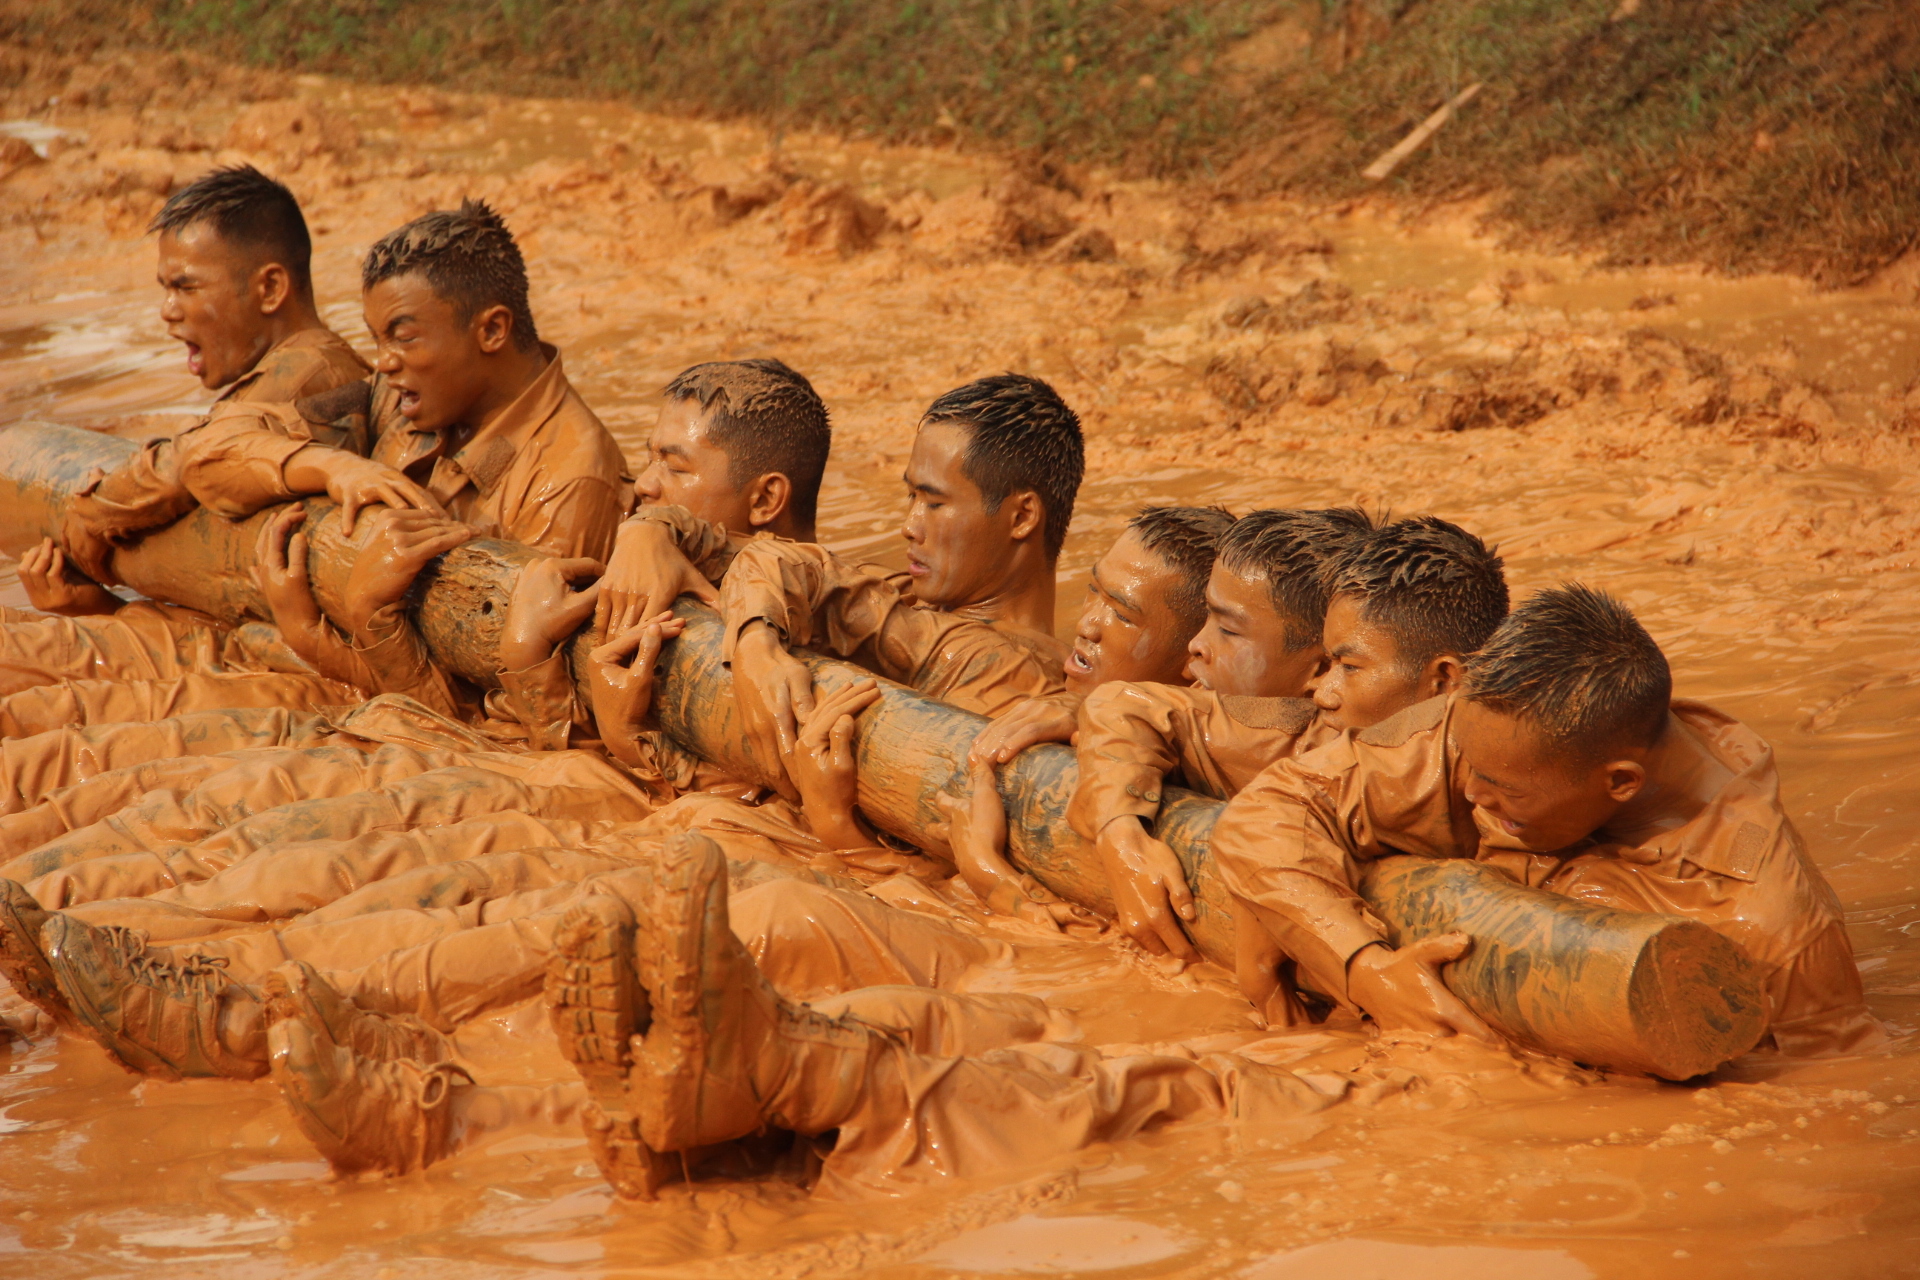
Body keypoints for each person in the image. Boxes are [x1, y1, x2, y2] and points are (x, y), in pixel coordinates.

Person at [1209, 584, 1880, 1052]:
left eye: (1500, 792)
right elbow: (1267, 813)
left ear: (1620, 783)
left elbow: (1813, 1105)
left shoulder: (1778, 929)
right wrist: (1361, 967)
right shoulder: (1500, 726)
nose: (1467, 793)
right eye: (1464, 761)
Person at [0, 166, 372, 705]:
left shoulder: (309, 377)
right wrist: (98, 605)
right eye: (165, 288)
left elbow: (180, 465)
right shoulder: (287, 373)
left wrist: (87, 525)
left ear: (269, 288)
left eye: (186, 287)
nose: (167, 311)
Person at [1072, 514, 1506, 961]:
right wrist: (1120, 832)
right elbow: (1125, 706)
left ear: (1445, 683)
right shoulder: (1312, 736)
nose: (1325, 690)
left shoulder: (1517, 763)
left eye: (1349, 668)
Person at [966, 504, 1235, 769]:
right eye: (1093, 590)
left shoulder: (1228, 748)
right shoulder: (1025, 659)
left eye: (1122, 616)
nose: (1086, 626)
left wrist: (1100, 711)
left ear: (1194, 656)